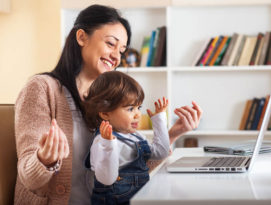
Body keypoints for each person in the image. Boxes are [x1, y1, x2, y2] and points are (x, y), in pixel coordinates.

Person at [13, 4, 202, 205]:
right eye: (111, 44)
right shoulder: (42, 89)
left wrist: (172, 134)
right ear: (81, 37)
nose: (116, 57)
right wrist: (45, 159)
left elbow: (130, 172)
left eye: (121, 50)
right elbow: (29, 178)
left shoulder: (108, 100)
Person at [83, 71, 170, 204]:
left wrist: (159, 119)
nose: (138, 115)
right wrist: (108, 145)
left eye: (138, 107)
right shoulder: (101, 142)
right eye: (130, 109)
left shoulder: (136, 136)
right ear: (105, 113)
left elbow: (161, 152)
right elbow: (107, 179)